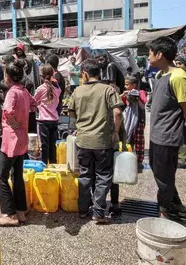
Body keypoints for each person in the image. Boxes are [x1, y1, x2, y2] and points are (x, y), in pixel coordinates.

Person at [68, 59, 123, 224]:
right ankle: (98, 212)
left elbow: (71, 114)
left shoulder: (77, 91)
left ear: (84, 73)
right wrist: (115, 132)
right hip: (102, 141)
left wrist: (81, 124)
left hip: (83, 140)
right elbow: (118, 113)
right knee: (103, 175)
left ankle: (83, 210)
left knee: (85, 175)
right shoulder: (108, 90)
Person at [0, 60, 35, 227]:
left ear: (7, 77)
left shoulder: (12, 93)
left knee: (1, 176)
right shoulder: (24, 91)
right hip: (22, 139)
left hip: (11, 139)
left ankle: (9, 214)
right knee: (17, 175)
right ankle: (21, 211)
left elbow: (7, 111)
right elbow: (34, 105)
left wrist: (13, 121)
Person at [148, 37, 186, 220]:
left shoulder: (179, 76)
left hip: (168, 135)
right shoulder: (159, 75)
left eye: (150, 53)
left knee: (164, 176)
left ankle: (164, 212)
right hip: (156, 134)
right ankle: (176, 204)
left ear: (159, 54)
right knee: (160, 172)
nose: (148, 57)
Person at [34, 64, 62, 165]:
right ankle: (54, 166)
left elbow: (33, 101)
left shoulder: (40, 89)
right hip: (54, 120)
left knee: (44, 147)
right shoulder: (57, 88)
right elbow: (57, 90)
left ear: (41, 76)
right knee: (52, 146)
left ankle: (43, 167)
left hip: (43, 121)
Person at [121, 75, 147, 168]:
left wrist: (137, 95)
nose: (125, 86)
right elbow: (121, 101)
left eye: (127, 85)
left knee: (139, 141)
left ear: (134, 85)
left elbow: (144, 102)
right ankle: (129, 158)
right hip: (128, 121)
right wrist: (124, 95)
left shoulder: (141, 92)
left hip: (138, 121)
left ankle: (139, 160)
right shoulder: (127, 93)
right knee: (129, 139)